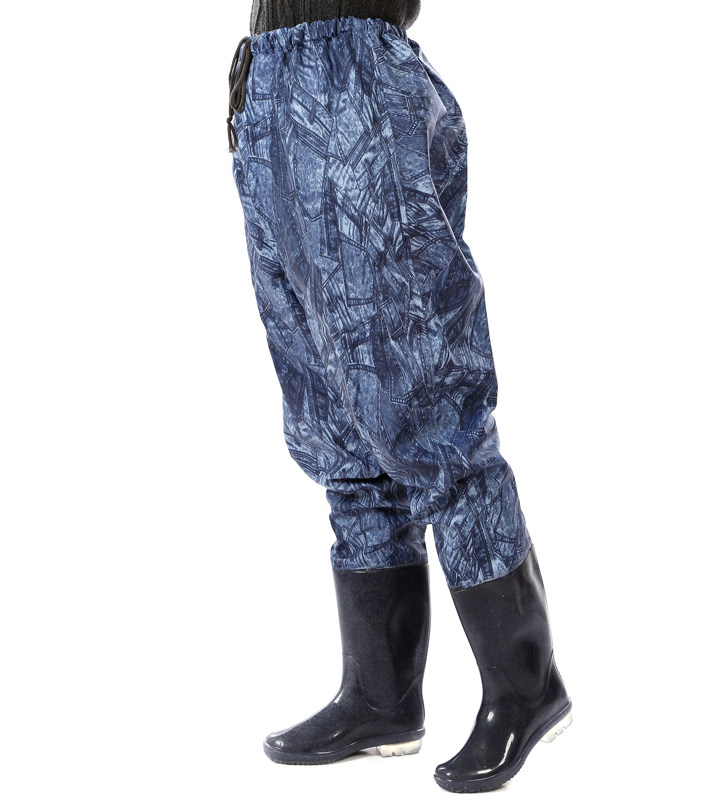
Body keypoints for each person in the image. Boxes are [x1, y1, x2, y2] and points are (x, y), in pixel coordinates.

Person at [226, 2, 573, 792]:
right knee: (331, 420)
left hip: (351, 75)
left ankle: (526, 686)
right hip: (265, 83)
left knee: (423, 403)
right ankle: (381, 697)